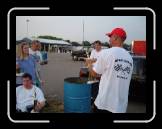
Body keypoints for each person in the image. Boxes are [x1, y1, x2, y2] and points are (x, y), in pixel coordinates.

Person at [89, 28, 133, 113]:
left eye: (110, 37)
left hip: (105, 104)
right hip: (120, 107)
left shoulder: (106, 53)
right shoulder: (129, 57)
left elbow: (94, 73)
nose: (109, 39)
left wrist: (89, 65)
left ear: (116, 38)